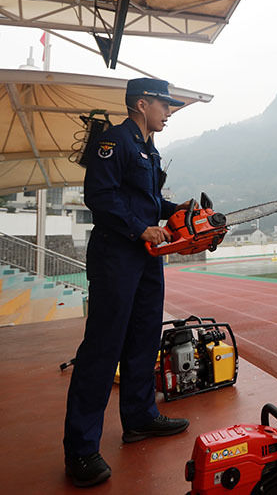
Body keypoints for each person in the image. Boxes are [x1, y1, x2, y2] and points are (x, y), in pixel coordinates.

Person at [63, 78, 190, 487]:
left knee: (144, 337)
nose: (168, 112)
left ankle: (140, 418)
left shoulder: (149, 150)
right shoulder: (114, 143)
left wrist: (179, 211)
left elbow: (148, 201)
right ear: (141, 103)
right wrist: (141, 229)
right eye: (164, 105)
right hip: (117, 255)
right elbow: (100, 197)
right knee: (103, 348)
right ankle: (81, 450)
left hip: (146, 258)